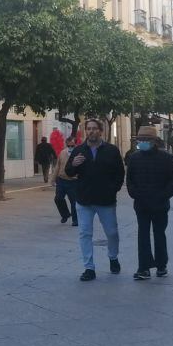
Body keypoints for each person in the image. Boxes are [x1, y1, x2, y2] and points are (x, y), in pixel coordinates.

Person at [65, 118, 126, 281]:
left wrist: (113, 189)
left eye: (94, 128)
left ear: (101, 131)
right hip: (84, 200)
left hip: (106, 200)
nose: (91, 131)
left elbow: (120, 173)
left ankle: (113, 257)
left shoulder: (111, 150)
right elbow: (69, 172)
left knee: (112, 233)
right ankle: (89, 268)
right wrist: (74, 164)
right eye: (88, 129)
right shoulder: (79, 150)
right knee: (85, 233)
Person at [125, 126, 173, 280]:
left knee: (159, 234)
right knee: (143, 235)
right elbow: (129, 179)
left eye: (146, 140)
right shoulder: (134, 158)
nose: (142, 142)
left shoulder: (166, 158)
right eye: (140, 140)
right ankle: (143, 267)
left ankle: (161, 265)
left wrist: (165, 195)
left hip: (160, 203)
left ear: (154, 141)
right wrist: (134, 193)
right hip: (141, 204)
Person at [52, 136, 79, 225]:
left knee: (74, 202)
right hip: (62, 180)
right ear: (66, 144)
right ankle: (65, 214)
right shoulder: (62, 153)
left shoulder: (79, 153)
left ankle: (75, 220)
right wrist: (53, 179)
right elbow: (57, 166)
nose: (71, 147)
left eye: (73, 146)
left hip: (73, 181)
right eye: (69, 146)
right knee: (58, 198)